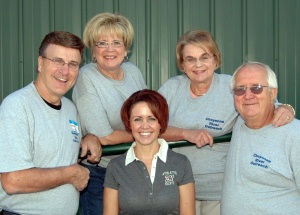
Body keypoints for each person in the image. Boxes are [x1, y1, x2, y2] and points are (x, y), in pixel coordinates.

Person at [158, 30, 295, 215]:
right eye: (190, 59)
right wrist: (185, 134)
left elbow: (267, 105)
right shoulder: (171, 88)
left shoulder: (231, 87)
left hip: (219, 193)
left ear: (216, 59)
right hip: (177, 188)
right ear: (182, 64)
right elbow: (150, 126)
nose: (198, 65)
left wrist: (288, 108)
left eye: (204, 57)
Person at [0, 31, 90, 215]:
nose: (65, 71)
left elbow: (58, 151)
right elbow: (12, 180)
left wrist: (90, 138)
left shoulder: (70, 109)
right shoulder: (17, 106)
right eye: (57, 61)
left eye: (73, 64)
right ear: (40, 63)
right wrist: (71, 174)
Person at [72, 12, 147, 214]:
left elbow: (149, 114)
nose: (110, 49)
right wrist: (145, 135)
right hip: (101, 173)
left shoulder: (133, 72)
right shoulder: (86, 78)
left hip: (135, 168)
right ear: (92, 50)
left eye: (116, 42)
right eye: (102, 43)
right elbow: (103, 136)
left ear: (126, 48)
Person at [221, 61, 300, 214]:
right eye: (240, 89)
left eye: (256, 88)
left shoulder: (294, 135)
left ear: (273, 93)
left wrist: (287, 107)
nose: (248, 95)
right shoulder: (239, 122)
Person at [103, 89, 195, 215]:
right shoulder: (116, 166)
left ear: (161, 123)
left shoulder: (181, 163)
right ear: (129, 123)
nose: (144, 126)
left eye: (151, 119)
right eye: (137, 119)